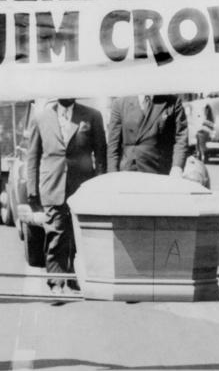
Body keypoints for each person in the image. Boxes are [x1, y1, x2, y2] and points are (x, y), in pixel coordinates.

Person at [26, 99, 107, 294]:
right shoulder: (41, 118)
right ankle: (56, 283)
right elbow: (32, 157)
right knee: (56, 234)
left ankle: (76, 278)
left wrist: (100, 185)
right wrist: (32, 192)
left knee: (81, 235)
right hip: (52, 186)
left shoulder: (92, 115)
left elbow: (101, 154)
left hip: (82, 187)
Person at [106, 94, 188, 176]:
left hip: (159, 172)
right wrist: (113, 175)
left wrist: (177, 168)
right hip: (129, 172)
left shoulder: (172, 101)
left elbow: (180, 138)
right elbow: (113, 146)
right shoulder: (120, 103)